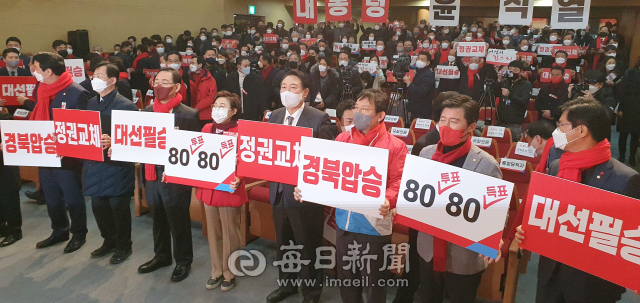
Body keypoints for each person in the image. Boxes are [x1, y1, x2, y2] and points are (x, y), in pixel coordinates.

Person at [515, 98, 640, 303]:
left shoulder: (625, 179)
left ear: (581, 131)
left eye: (561, 126)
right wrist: (529, 230)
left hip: (592, 286)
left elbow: (630, 237)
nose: (556, 132)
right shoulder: (557, 166)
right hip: (551, 276)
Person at [296, 89, 405, 303]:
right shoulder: (343, 138)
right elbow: (326, 173)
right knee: (347, 282)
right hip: (344, 223)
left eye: (365, 109)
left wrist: (389, 199)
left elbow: (398, 181)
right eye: (357, 108)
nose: (358, 113)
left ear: (380, 115)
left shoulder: (395, 145)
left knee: (374, 285)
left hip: (373, 225)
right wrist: (305, 187)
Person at [417, 94, 503, 303]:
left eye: (454, 122)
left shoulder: (485, 164)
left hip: (464, 253)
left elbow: (495, 209)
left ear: (470, 127)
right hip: (428, 247)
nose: (446, 126)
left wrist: (493, 238)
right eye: (443, 120)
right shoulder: (427, 154)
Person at [266, 70, 332, 303]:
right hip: (279, 191)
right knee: (284, 243)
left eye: (292, 87)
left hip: (305, 194)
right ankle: (287, 285)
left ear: (305, 92)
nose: (286, 91)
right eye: (283, 87)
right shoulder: (274, 115)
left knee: (308, 246)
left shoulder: (318, 118)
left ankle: (312, 293)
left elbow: (325, 159)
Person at [138, 68, 200, 282]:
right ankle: (161, 255)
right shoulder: (146, 112)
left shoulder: (188, 114)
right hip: (151, 173)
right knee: (158, 217)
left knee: (178, 219)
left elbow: (193, 149)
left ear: (176, 87)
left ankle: (183, 261)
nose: (159, 86)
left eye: (165, 82)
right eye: (156, 82)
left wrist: (176, 170)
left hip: (175, 176)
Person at [28, 52, 92, 253]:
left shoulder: (77, 92)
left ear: (48, 71)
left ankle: (79, 233)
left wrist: (65, 138)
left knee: (72, 196)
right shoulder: (42, 89)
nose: (33, 71)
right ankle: (59, 230)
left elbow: (84, 128)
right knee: (51, 194)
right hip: (45, 152)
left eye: (36, 68)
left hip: (67, 156)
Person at [83, 62, 138, 264]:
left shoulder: (126, 105)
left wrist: (115, 141)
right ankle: (109, 241)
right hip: (95, 163)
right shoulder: (90, 103)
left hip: (117, 166)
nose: (94, 79)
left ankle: (124, 245)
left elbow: (134, 137)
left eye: (99, 75)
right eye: (93, 76)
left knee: (119, 208)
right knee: (98, 206)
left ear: (112, 80)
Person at [196, 91, 247, 292]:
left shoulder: (242, 130)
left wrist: (239, 177)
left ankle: (230, 272)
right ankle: (216, 270)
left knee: (229, 232)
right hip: (208, 187)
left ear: (234, 111)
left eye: (222, 106)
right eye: (215, 105)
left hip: (229, 188)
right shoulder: (207, 128)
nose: (217, 109)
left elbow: (247, 159)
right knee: (213, 232)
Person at [495, 61, 532, 141]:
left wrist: (510, 95)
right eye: (510, 69)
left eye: (515, 69)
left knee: (513, 142)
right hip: (500, 120)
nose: (512, 72)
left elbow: (524, 101)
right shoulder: (505, 81)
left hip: (514, 122)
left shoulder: (526, 84)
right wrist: (499, 80)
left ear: (521, 71)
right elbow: (495, 93)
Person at [0, 111, 22, 247]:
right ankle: (2, 227)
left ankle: (15, 231)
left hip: (5, 163)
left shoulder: (2, 116)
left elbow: (11, 128)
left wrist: (5, 141)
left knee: (8, 198)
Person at [225, 56, 267, 121]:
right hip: (236, 111)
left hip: (251, 111)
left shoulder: (256, 78)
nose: (248, 67)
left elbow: (261, 95)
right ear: (238, 67)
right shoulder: (230, 77)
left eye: (249, 65)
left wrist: (264, 109)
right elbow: (227, 94)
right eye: (245, 66)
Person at [617, 64, 640, 166]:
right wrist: (621, 108)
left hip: (638, 108)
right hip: (626, 106)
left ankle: (632, 157)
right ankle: (622, 156)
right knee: (623, 134)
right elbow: (622, 91)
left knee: (635, 135)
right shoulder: (630, 72)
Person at [405, 51, 435, 120]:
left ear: (428, 63)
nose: (419, 61)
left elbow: (422, 91)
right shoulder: (417, 72)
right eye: (418, 59)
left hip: (423, 110)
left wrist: (409, 83)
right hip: (414, 108)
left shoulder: (428, 75)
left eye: (423, 59)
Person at [189, 56, 218, 127]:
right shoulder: (188, 77)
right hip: (190, 113)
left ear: (200, 65)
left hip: (205, 115)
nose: (191, 65)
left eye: (193, 63)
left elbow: (211, 97)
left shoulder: (210, 79)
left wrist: (197, 108)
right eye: (190, 63)